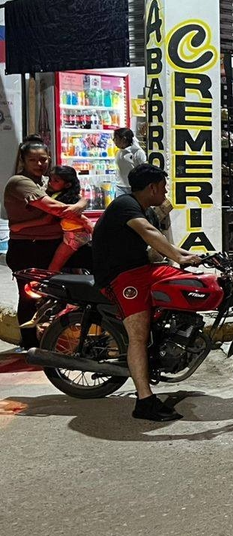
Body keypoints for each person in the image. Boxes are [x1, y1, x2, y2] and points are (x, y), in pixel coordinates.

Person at [91, 164, 202, 421]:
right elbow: (149, 234)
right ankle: (144, 401)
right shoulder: (125, 205)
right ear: (151, 187)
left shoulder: (146, 210)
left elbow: (162, 243)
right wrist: (178, 257)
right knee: (138, 335)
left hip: (141, 270)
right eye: (163, 187)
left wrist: (194, 257)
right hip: (120, 277)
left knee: (187, 285)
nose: (166, 192)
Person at [4, 137, 89, 349]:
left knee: (93, 270)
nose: (39, 164)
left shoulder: (46, 181)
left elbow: (78, 197)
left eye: (43, 159)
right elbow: (55, 208)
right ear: (23, 161)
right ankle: (30, 343)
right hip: (29, 248)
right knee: (29, 294)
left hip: (53, 244)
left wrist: (80, 204)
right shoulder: (19, 182)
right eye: (33, 160)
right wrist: (83, 215)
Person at [8, 166, 93, 272]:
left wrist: (20, 226)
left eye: (55, 181)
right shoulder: (68, 195)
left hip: (74, 236)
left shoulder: (59, 198)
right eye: (51, 179)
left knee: (53, 268)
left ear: (67, 184)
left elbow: (47, 219)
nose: (50, 183)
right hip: (76, 235)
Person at [113, 127, 147, 197]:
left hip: (133, 188)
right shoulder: (119, 152)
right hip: (120, 186)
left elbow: (144, 170)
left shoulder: (138, 153)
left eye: (116, 138)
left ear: (124, 139)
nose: (114, 140)